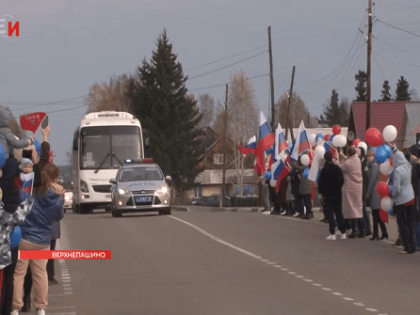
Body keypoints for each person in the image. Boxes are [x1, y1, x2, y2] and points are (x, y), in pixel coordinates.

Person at [11, 163, 65, 315]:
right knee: (40, 274)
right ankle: (41, 307)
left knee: (19, 273)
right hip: (42, 241)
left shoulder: (27, 192)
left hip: (24, 238)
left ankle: (15, 307)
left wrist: (27, 175)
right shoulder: (53, 196)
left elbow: (19, 200)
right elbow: (58, 215)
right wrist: (59, 196)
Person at [0, 109, 35, 315]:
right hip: (7, 242)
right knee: (11, 274)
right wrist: (28, 137)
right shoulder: (13, 166)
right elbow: (20, 144)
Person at [389, 144, 416, 254]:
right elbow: (400, 154)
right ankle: (413, 246)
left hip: (402, 200)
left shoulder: (398, 171)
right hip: (411, 197)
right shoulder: (408, 165)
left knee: (402, 224)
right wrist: (395, 148)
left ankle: (407, 247)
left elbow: (397, 188)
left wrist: (393, 196)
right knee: (411, 223)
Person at [318, 151, 346, 240]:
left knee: (330, 213)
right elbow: (342, 180)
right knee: (339, 213)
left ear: (325, 158)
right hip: (337, 193)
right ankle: (343, 233)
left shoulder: (324, 169)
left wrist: (321, 192)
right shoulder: (337, 168)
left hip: (328, 194)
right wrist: (338, 188)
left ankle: (332, 233)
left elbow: (321, 183)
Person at [337, 146, 364, 238]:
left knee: (352, 209)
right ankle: (362, 230)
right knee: (358, 208)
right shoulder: (357, 159)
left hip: (350, 187)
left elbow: (340, 166)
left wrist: (338, 159)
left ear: (348, 153)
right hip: (358, 187)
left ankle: (354, 230)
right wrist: (343, 156)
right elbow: (349, 159)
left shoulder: (348, 163)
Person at [365, 150, 388, 241]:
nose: (368, 158)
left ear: (373, 157)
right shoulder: (369, 166)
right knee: (376, 214)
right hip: (374, 191)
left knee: (375, 214)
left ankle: (376, 234)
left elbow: (372, 181)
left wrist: (368, 193)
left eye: (370, 157)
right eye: (367, 157)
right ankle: (383, 232)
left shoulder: (374, 166)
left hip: (375, 192)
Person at [292, 155, 313, 220]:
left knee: (306, 201)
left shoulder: (303, 168)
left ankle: (308, 214)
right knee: (308, 201)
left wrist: (292, 161)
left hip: (303, 187)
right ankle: (309, 213)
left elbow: (295, 166)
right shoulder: (308, 167)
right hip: (309, 186)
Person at [359, 147, 372, 236]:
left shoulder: (364, 163)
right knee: (362, 209)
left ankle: (367, 227)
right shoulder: (361, 161)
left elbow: (366, 179)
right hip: (362, 188)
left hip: (364, 188)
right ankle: (365, 227)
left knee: (363, 209)